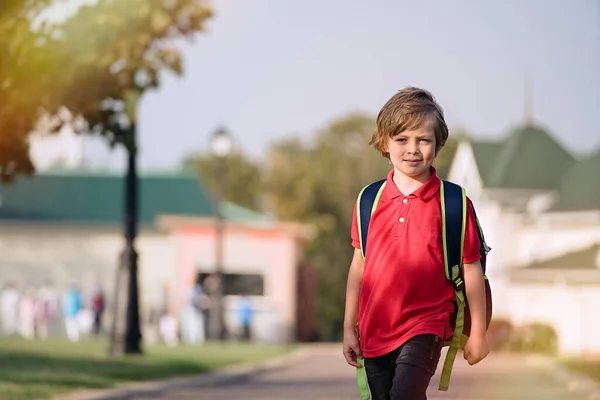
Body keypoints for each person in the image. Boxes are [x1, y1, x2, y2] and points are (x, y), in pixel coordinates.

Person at [342, 87, 489, 399]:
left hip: (427, 325)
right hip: (374, 328)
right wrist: (347, 328)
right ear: (384, 142)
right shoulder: (369, 200)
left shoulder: (453, 203)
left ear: (437, 144)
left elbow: (472, 268)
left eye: (423, 139)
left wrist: (478, 332)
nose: (413, 149)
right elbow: (359, 267)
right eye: (402, 139)